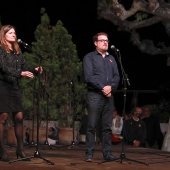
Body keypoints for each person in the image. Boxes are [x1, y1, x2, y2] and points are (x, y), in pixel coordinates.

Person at [0, 25, 43, 162]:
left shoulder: (17, 51)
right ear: (4, 35)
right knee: (3, 118)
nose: (13, 34)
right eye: (10, 32)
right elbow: (4, 68)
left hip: (15, 87)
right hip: (3, 86)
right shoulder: (0, 50)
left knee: (19, 117)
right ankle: (1, 150)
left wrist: (35, 69)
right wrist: (20, 73)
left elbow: (25, 66)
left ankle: (20, 149)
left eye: (14, 32)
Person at [83, 32, 120, 162]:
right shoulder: (89, 57)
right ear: (96, 43)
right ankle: (89, 153)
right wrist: (103, 87)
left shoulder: (112, 58)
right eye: (102, 40)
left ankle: (107, 153)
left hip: (109, 96)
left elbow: (117, 76)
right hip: (95, 95)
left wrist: (111, 87)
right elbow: (89, 77)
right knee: (92, 125)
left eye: (107, 40)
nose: (105, 42)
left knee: (107, 127)